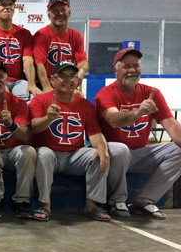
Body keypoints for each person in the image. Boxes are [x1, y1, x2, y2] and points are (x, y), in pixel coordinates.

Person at [29, 60, 129, 222]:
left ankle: (91, 205)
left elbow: (95, 134)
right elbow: (34, 128)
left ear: (77, 80)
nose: (68, 80)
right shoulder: (40, 100)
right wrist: (48, 118)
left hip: (74, 155)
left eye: (72, 76)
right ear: (52, 79)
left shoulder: (85, 105)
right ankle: (44, 204)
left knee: (98, 154)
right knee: (44, 154)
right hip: (50, 153)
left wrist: (102, 149)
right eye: (62, 76)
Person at [96, 47, 181, 219]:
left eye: (136, 65)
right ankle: (117, 201)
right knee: (120, 149)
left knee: (179, 150)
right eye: (126, 66)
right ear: (116, 70)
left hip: (140, 154)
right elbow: (113, 119)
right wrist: (138, 112)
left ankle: (144, 201)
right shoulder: (105, 94)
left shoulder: (152, 93)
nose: (132, 70)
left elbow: (171, 125)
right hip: (113, 155)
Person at [0, 61, 36, 219]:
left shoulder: (18, 103)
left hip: (12, 152)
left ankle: (23, 201)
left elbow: (25, 135)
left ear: (7, 79)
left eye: (1, 76)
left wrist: (10, 124)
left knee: (29, 152)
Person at [0, 0, 40, 103]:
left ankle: (22, 121)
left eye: (10, 4)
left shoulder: (24, 33)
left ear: (14, 8)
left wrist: (31, 84)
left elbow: (28, 61)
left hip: (18, 81)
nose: (7, 7)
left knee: (32, 100)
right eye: (2, 4)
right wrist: (0, 83)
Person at [33, 0, 87, 94]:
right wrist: (47, 87)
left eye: (63, 10)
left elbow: (83, 61)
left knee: (80, 99)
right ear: (49, 16)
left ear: (69, 13)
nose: (60, 14)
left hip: (66, 82)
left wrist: (80, 73)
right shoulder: (41, 35)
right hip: (45, 81)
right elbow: (39, 64)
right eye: (55, 11)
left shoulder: (76, 36)